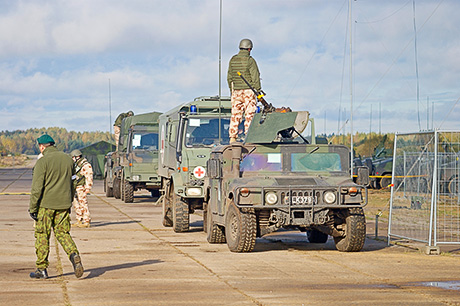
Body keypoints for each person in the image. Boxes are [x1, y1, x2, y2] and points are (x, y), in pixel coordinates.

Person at [28, 134, 84, 279]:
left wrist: (33, 208)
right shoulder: (68, 160)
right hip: (63, 204)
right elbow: (73, 182)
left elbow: (36, 189)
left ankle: (42, 269)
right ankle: (74, 254)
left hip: (46, 206)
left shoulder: (42, 162)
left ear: (42, 147)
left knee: (42, 235)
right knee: (63, 233)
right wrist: (69, 200)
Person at [227, 38, 261, 143]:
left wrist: (232, 91)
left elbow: (229, 77)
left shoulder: (233, 59)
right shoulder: (250, 60)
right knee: (249, 114)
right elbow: (255, 76)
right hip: (248, 91)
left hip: (236, 90)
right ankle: (248, 136)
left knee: (235, 114)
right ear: (249, 49)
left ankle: (232, 137)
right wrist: (258, 91)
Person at [70, 149, 93, 228]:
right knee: (76, 204)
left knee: (83, 204)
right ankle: (79, 219)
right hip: (76, 186)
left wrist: (88, 188)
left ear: (78, 157)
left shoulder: (85, 165)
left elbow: (89, 177)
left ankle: (86, 221)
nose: (72, 159)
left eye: (74, 157)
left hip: (81, 187)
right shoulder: (76, 165)